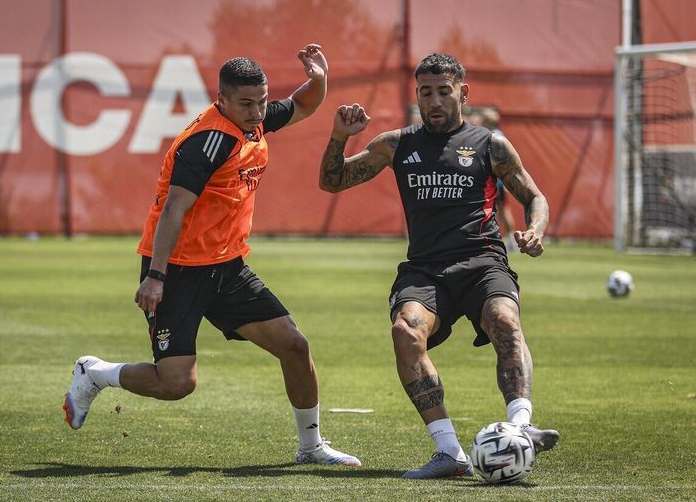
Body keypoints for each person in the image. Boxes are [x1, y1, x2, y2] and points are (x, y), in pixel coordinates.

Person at [63, 44, 360, 467]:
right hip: (178, 271)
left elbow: (301, 106)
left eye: (261, 101)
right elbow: (174, 208)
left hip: (226, 267)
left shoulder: (252, 120)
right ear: (221, 99)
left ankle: (311, 447)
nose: (258, 111)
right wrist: (156, 277)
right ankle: (95, 373)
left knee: (294, 345)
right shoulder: (208, 141)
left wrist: (319, 79)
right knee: (176, 384)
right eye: (246, 104)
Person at [318, 53, 558, 479]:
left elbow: (534, 197)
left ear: (462, 93)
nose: (433, 101)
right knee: (404, 330)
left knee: (504, 318)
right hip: (426, 269)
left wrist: (535, 231)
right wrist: (339, 137)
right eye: (425, 92)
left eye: (443, 92)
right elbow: (333, 181)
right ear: (416, 95)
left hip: (483, 261)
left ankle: (521, 428)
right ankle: (449, 453)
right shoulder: (397, 144)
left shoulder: (491, 144)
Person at [466, 106, 517, 249]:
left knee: (501, 210)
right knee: (500, 210)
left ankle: (509, 240)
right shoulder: (497, 134)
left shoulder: (494, 136)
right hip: (497, 182)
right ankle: (507, 239)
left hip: (496, 183)